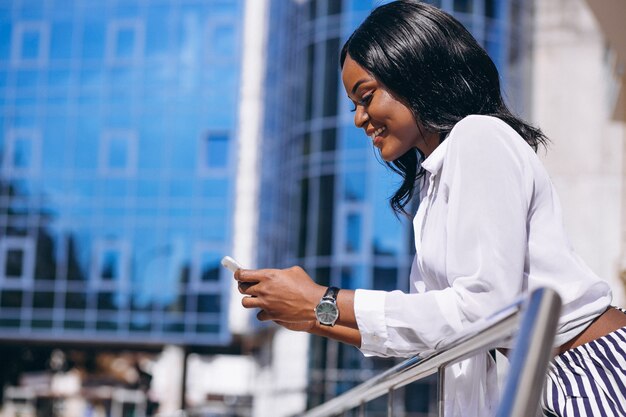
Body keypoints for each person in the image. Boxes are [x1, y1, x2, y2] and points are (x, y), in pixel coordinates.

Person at [232, 1, 626, 416]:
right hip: (551, 382)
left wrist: (322, 300)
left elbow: (483, 308)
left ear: (414, 73)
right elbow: (438, 329)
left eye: (365, 97)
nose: (358, 119)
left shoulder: (479, 137)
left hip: (593, 370)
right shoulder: (435, 180)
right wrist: (312, 316)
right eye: (353, 105)